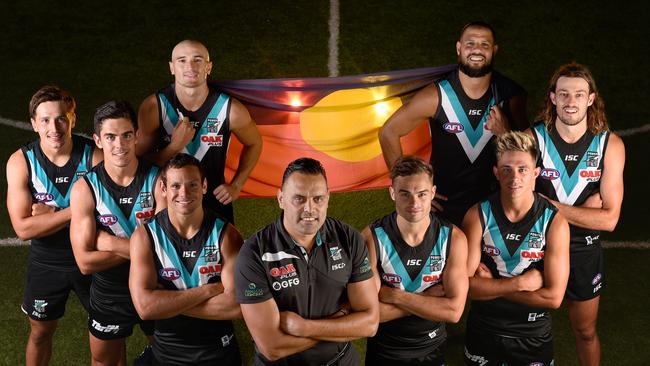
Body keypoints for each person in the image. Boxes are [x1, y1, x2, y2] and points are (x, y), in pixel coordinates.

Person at [380, 21, 527, 225]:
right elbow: (388, 132)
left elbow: (530, 155)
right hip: (444, 208)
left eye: (485, 44)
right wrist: (406, 186)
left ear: (494, 50)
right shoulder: (436, 96)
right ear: (459, 48)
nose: (477, 49)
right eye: (470, 44)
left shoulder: (511, 95)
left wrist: (506, 133)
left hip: (494, 208)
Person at [235, 157, 379, 365]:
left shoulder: (349, 239)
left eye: (318, 199)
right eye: (299, 199)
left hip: (340, 361)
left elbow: (369, 324)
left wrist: (305, 327)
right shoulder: (254, 252)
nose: (310, 209)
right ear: (281, 199)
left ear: (328, 198)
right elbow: (272, 347)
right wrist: (341, 320)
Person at [529, 62, 625, 366]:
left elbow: (609, 220)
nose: (571, 101)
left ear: (591, 99)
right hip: (537, 249)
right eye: (565, 94)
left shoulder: (609, 145)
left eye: (579, 94)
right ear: (553, 97)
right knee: (524, 329)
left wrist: (548, 205)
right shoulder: (534, 139)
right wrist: (583, 212)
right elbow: (516, 204)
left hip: (582, 252)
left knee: (584, 331)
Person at [6, 86, 100, 366]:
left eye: (61, 118)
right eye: (45, 120)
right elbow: (23, 229)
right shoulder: (21, 162)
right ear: (34, 123)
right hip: (47, 262)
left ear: (72, 119)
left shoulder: (95, 157)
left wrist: (51, 214)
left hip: (92, 257)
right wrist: (78, 210)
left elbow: (114, 213)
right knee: (40, 333)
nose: (54, 127)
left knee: (107, 334)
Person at [462, 131, 570, 365]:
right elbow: (464, 288)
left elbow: (554, 298)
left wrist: (491, 285)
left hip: (532, 334)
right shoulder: (477, 215)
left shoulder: (554, 222)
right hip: (484, 328)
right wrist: (519, 284)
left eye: (522, 169)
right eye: (507, 169)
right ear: (496, 173)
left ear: (535, 174)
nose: (515, 178)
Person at [70, 100, 162, 365]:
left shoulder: (159, 181)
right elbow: (85, 263)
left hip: (157, 284)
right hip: (110, 292)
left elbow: (164, 252)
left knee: (172, 358)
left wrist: (108, 242)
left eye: (126, 135)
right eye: (110, 137)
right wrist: (144, 250)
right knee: (103, 362)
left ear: (137, 136)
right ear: (98, 140)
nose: (119, 145)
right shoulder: (85, 188)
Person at [129, 153, 243, 365]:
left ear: (204, 186)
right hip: (167, 352)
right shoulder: (144, 237)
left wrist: (166, 303)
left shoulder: (228, 235)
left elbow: (237, 306)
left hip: (217, 349)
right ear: (163, 189)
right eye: (175, 186)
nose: (184, 193)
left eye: (192, 185)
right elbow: (145, 308)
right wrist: (208, 290)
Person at [137, 39, 262, 223]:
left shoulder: (230, 109)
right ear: (172, 67)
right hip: (170, 202)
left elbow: (255, 142)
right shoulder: (154, 107)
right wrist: (174, 147)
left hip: (214, 201)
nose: (190, 66)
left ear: (208, 67)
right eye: (182, 60)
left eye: (197, 59)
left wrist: (237, 185)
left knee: (226, 251)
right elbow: (139, 164)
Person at [363, 156, 468, 365]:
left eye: (422, 194)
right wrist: (429, 298)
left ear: (433, 192)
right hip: (385, 350)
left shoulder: (454, 238)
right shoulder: (370, 238)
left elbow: (453, 311)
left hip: (432, 347)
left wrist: (394, 296)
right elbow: (369, 315)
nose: (415, 203)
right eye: (405, 194)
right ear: (392, 193)